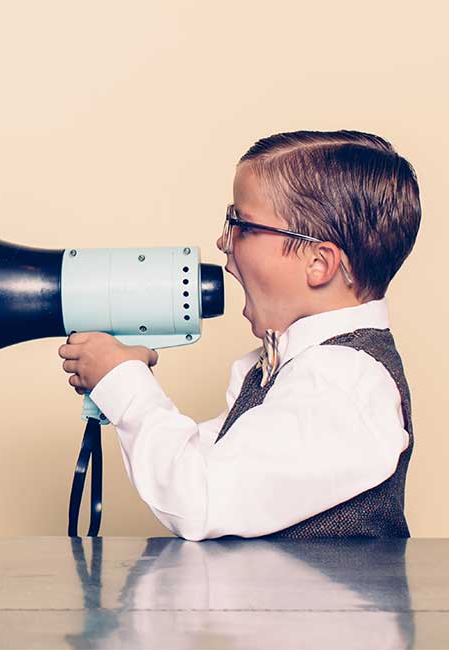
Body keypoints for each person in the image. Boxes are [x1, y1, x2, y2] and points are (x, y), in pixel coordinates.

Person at [59, 130, 420, 539]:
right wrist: (125, 377)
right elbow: (211, 461)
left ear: (319, 264)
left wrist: (124, 383)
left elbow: (198, 499)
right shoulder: (292, 365)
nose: (223, 241)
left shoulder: (342, 384)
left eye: (243, 226)